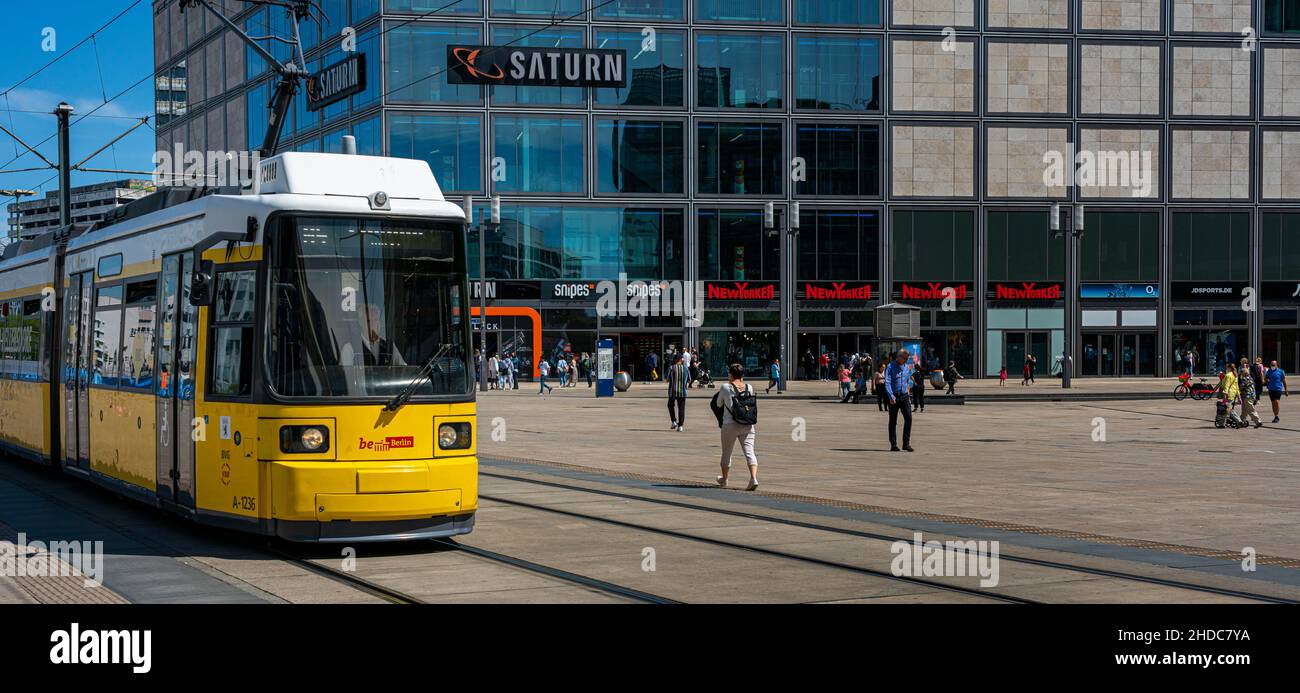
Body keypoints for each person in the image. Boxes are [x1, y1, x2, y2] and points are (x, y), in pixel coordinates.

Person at [714, 363, 759, 491]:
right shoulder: (749, 387)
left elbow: (718, 404)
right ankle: (753, 478)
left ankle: (724, 479)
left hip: (730, 424)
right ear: (742, 375)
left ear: (730, 374)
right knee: (749, 451)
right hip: (747, 423)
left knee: (727, 452)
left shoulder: (725, 387)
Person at [884, 350, 915, 452]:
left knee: (909, 418)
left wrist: (909, 394)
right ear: (899, 357)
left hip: (904, 396)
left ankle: (906, 443)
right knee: (893, 421)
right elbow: (887, 382)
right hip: (894, 397)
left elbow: (907, 381)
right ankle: (893, 444)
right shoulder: (890, 367)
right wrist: (891, 396)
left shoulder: (906, 367)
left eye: (907, 359)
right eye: (905, 358)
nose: (906, 361)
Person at [666, 354, 689, 432]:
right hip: (683, 392)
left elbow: (667, 379)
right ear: (681, 360)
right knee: (681, 408)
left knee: (670, 405)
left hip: (672, 391)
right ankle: (680, 426)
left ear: (675, 360)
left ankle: (674, 421)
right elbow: (689, 380)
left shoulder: (671, 368)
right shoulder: (685, 368)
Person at [1238, 360, 1263, 428]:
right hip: (1251, 396)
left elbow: (1241, 387)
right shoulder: (1251, 378)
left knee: (1250, 409)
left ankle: (1258, 421)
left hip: (1247, 396)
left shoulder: (1244, 379)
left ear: (1244, 373)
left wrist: (1237, 391)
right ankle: (1241, 421)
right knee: (1244, 410)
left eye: (1241, 372)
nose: (1240, 373)